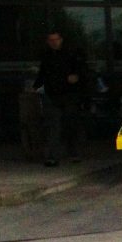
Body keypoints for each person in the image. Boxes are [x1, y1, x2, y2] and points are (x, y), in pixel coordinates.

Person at [34, 31, 89, 166]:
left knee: (70, 124)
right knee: (54, 126)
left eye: (56, 39)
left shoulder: (71, 54)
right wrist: (36, 86)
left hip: (69, 95)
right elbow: (42, 73)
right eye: (51, 40)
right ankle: (53, 156)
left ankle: (73, 152)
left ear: (61, 40)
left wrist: (76, 77)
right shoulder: (47, 56)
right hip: (53, 94)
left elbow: (82, 71)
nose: (54, 42)